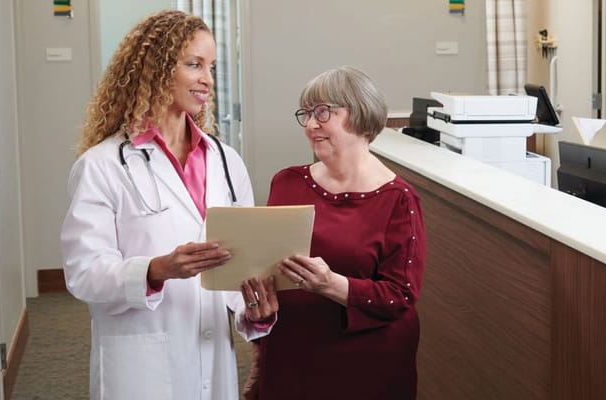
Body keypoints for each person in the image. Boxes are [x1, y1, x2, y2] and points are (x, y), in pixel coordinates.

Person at [60, 10, 277, 400]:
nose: (208, 80)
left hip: (212, 354)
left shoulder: (226, 161)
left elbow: (237, 267)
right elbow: (83, 273)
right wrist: (158, 269)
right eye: (193, 64)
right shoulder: (102, 165)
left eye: (211, 67)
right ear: (155, 70)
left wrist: (253, 311)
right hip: (140, 363)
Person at [249, 66, 427, 399]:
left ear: (360, 115)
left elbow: (400, 296)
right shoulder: (285, 181)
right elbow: (267, 268)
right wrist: (259, 310)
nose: (312, 124)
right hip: (288, 356)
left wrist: (331, 285)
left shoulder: (398, 199)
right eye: (307, 113)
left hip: (366, 365)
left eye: (323, 112)